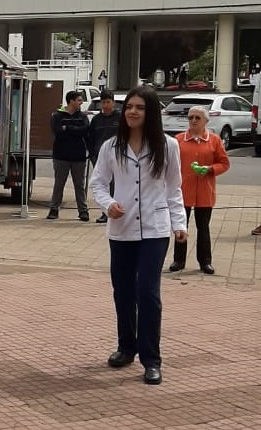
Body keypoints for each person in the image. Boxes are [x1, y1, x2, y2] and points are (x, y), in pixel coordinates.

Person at [89, 86, 187, 386]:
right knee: (123, 291)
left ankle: (151, 359)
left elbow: (174, 188)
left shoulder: (168, 146)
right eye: (129, 106)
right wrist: (108, 204)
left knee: (148, 293)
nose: (132, 112)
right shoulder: (112, 146)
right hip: (121, 230)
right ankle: (126, 347)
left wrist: (179, 223)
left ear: (151, 112)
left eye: (140, 108)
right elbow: (98, 184)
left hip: (155, 230)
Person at [168, 105, 229, 274]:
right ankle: (178, 260)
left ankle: (205, 262)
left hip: (204, 191)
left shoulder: (214, 140)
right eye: (190, 118)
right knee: (181, 226)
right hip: (182, 191)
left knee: (204, 227)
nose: (193, 121)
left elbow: (224, 163)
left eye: (197, 118)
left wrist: (209, 169)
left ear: (205, 121)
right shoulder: (178, 140)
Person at [47, 91, 90, 221]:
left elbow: (84, 130)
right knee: (59, 184)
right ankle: (54, 210)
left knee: (79, 185)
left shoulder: (82, 116)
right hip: (61, 155)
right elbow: (58, 131)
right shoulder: (57, 116)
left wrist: (68, 128)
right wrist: (72, 129)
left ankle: (83, 211)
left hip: (79, 156)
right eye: (79, 100)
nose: (81, 102)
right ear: (71, 101)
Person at [88, 90, 121, 224]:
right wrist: (92, 154)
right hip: (99, 157)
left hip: (117, 157)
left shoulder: (120, 118)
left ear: (113, 102)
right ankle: (105, 212)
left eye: (108, 102)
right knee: (102, 185)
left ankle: (116, 209)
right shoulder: (96, 120)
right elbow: (90, 138)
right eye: (103, 102)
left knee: (116, 185)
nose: (106, 105)